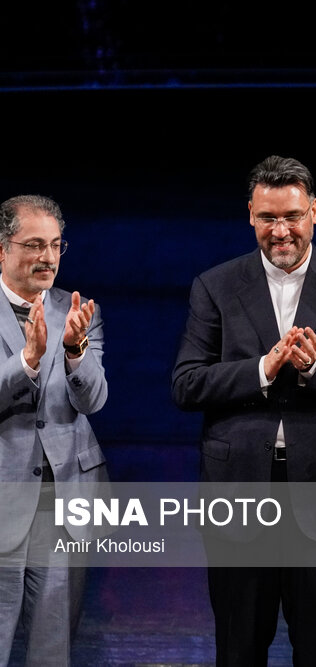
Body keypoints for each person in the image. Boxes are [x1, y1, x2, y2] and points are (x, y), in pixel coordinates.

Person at [171, 155, 316, 666]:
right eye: (268, 217)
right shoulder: (215, 286)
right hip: (238, 494)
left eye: (292, 215)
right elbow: (186, 383)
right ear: (250, 214)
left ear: (314, 210)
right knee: (239, 648)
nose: (281, 230)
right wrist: (263, 369)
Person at [0, 195, 108, 665]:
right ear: (2, 248)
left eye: (56, 246)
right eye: (34, 245)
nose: (48, 257)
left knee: (53, 646)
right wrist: (25, 360)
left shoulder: (80, 311)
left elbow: (94, 400)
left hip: (66, 497)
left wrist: (75, 352)